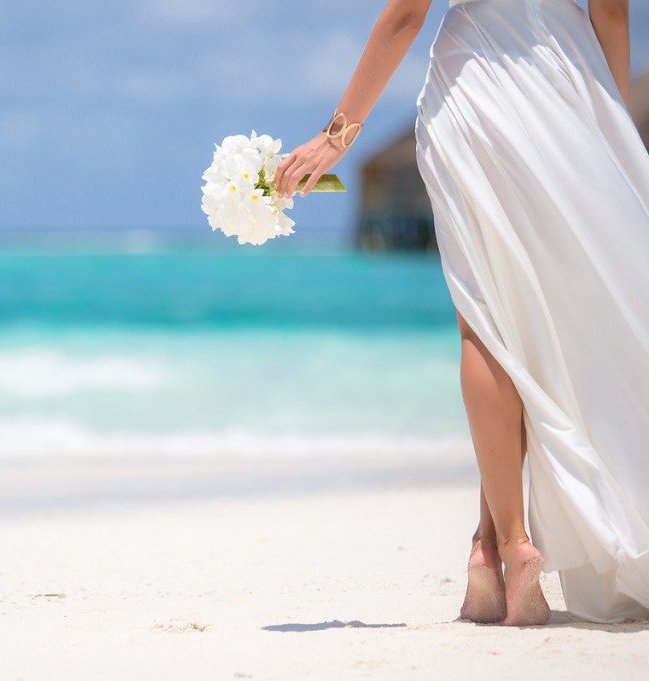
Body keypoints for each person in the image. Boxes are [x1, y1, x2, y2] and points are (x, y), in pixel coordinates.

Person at [273, 0, 649, 626]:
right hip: (569, 90)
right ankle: (492, 546)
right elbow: (611, 10)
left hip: (473, 94)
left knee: (485, 322)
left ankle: (503, 547)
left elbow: (405, 15)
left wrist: (336, 135)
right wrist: (607, 118)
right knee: (537, 322)